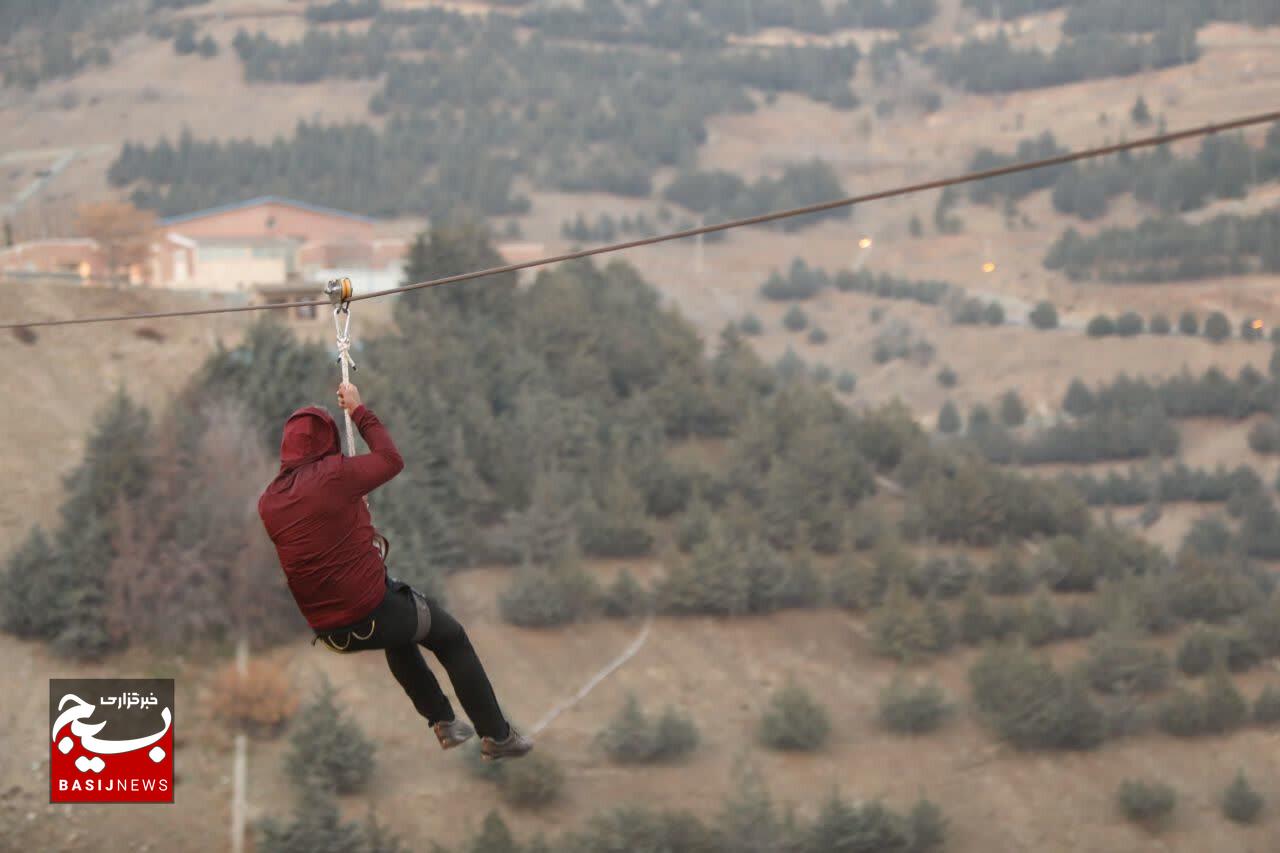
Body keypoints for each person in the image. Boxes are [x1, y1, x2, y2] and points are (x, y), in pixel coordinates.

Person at [257, 381, 532, 761]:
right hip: (368, 612)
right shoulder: (335, 476)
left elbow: (318, 529)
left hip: (331, 632)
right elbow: (391, 460)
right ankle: (498, 737)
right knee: (451, 638)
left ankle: (444, 722)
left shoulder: (269, 501)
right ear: (328, 442)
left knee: (399, 630)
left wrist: (352, 507)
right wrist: (358, 411)